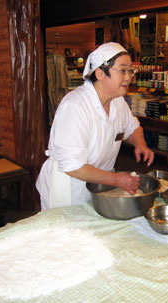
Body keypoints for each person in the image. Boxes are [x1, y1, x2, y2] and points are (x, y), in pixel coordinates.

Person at [36, 42, 154, 210]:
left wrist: (140, 143)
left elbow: (132, 127)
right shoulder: (76, 106)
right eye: (122, 70)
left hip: (100, 182)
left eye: (130, 70)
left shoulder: (118, 102)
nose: (128, 77)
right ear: (100, 73)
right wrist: (117, 179)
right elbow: (73, 166)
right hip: (70, 187)